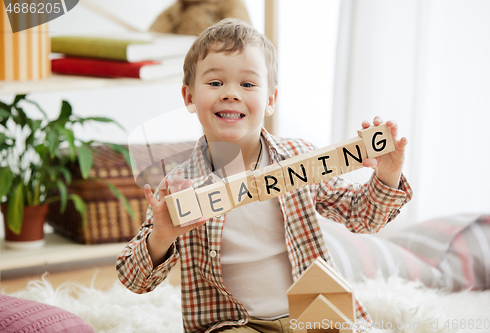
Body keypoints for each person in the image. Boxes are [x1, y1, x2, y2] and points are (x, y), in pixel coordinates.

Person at [116, 18, 412, 333]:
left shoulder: (301, 158)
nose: (230, 93)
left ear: (270, 100)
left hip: (316, 315)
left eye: (247, 84)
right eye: (215, 83)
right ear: (189, 96)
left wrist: (387, 176)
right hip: (236, 324)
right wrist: (161, 236)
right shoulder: (178, 188)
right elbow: (134, 280)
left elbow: (362, 217)